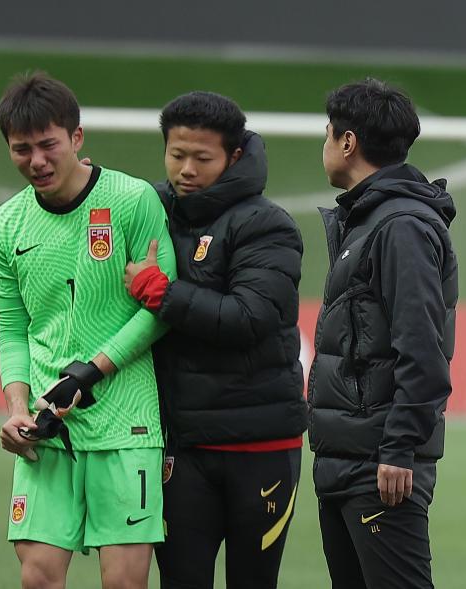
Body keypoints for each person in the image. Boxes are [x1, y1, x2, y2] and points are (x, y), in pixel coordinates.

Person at [0, 72, 176, 588]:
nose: (37, 161)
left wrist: (90, 372)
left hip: (127, 426)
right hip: (48, 425)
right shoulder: (4, 225)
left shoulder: (133, 200)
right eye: (22, 149)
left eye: (48, 145)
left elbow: (162, 309)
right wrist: (17, 408)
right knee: (38, 578)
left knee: (123, 583)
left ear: (76, 137)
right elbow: (12, 326)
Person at [123, 91, 306, 588]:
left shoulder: (267, 224)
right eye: (176, 154)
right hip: (181, 447)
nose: (186, 169)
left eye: (202, 158)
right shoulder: (150, 211)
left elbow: (249, 317)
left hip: (260, 445)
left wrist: (160, 293)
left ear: (234, 156)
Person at [308, 78, 458, 589]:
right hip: (346, 462)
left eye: (328, 133)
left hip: (379, 468)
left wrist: (398, 450)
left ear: (348, 142)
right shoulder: (367, 219)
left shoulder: (401, 226)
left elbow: (422, 348)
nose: (325, 144)